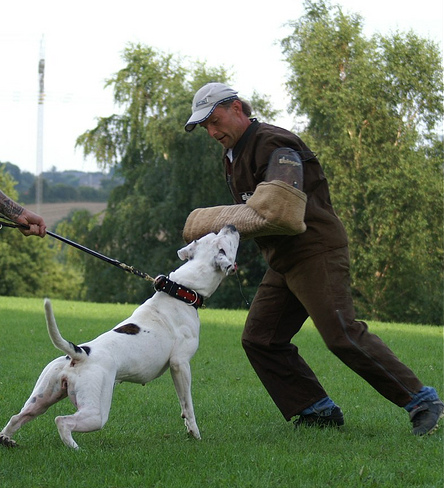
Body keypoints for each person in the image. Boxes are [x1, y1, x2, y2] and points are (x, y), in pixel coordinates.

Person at [182, 82, 444, 436]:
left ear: (238, 109)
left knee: (341, 333)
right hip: (283, 258)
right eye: (205, 127)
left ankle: (421, 400)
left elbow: (280, 211)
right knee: (260, 338)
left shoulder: (275, 145)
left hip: (315, 249)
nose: (212, 132)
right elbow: (253, 215)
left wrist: (209, 221)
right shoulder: (233, 156)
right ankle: (316, 409)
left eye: (215, 121)